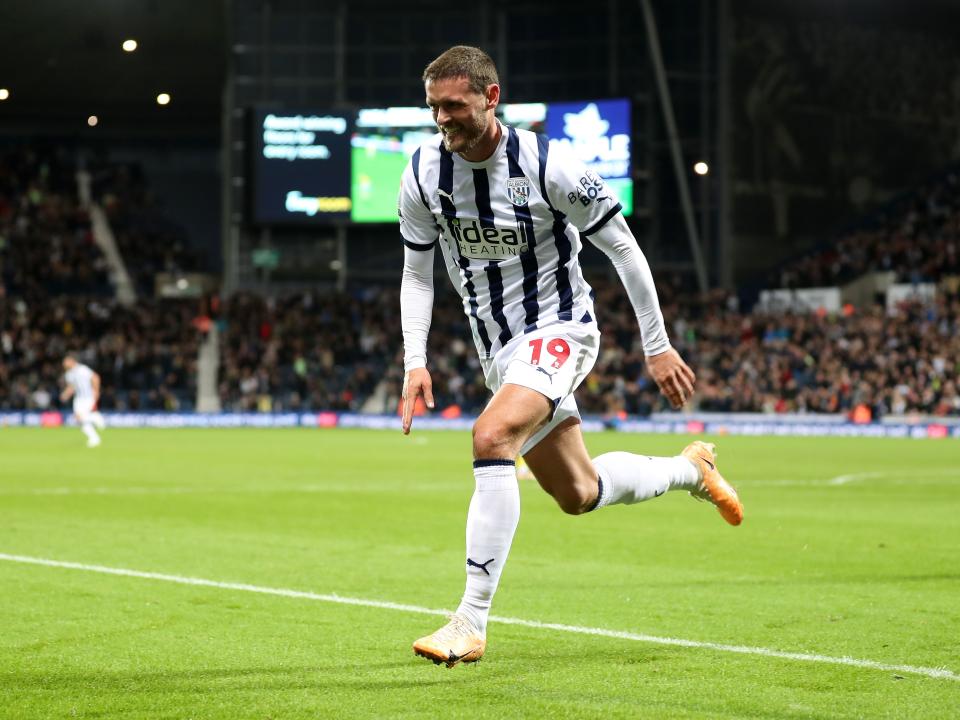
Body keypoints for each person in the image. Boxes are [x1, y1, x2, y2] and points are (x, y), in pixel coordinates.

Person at [399, 46, 743, 668]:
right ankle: (693, 470)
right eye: (434, 108)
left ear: (490, 97)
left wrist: (657, 344)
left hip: (561, 328)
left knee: (492, 434)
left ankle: (469, 621)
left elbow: (625, 250)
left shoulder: (551, 164)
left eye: (454, 106)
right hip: (498, 349)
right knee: (579, 492)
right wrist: (413, 361)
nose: (443, 119)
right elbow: (417, 276)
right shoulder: (423, 172)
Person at [61, 355, 105, 447]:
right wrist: (66, 394)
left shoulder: (82, 369)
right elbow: (72, 387)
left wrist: (96, 391)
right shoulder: (68, 374)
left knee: (79, 418)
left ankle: (95, 419)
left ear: (72, 361)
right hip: (78, 399)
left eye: (66, 362)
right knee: (80, 420)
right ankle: (94, 436)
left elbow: (95, 377)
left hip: (88, 397)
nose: (64, 364)